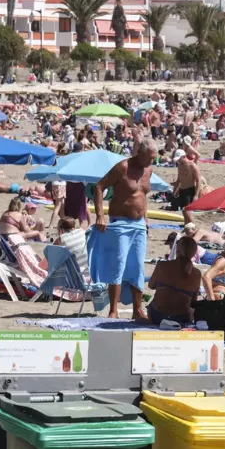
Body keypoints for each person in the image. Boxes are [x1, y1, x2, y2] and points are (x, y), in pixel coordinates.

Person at [90, 139, 157, 320]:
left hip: (139, 225)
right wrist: (100, 215)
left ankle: (137, 309)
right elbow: (99, 187)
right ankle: (113, 310)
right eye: (149, 158)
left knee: (137, 267)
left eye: (154, 159)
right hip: (120, 223)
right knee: (117, 265)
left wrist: (146, 219)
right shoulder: (123, 167)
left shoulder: (148, 170)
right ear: (140, 154)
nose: (152, 162)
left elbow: (142, 197)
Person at [146, 235, 201, 325]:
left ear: (177, 250)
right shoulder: (197, 273)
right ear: (194, 253)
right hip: (181, 319)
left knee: (154, 302)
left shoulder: (162, 265)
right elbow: (193, 302)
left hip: (157, 316)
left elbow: (151, 286)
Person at [172, 148, 201, 224]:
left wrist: (196, 195)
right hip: (182, 190)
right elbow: (179, 179)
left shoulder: (192, 166)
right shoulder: (179, 165)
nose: (178, 161)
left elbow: (198, 181)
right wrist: (175, 189)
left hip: (190, 190)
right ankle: (186, 226)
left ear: (183, 156)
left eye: (179, 159)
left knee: (187, 210)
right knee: (184, 212)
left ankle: (193, 227)